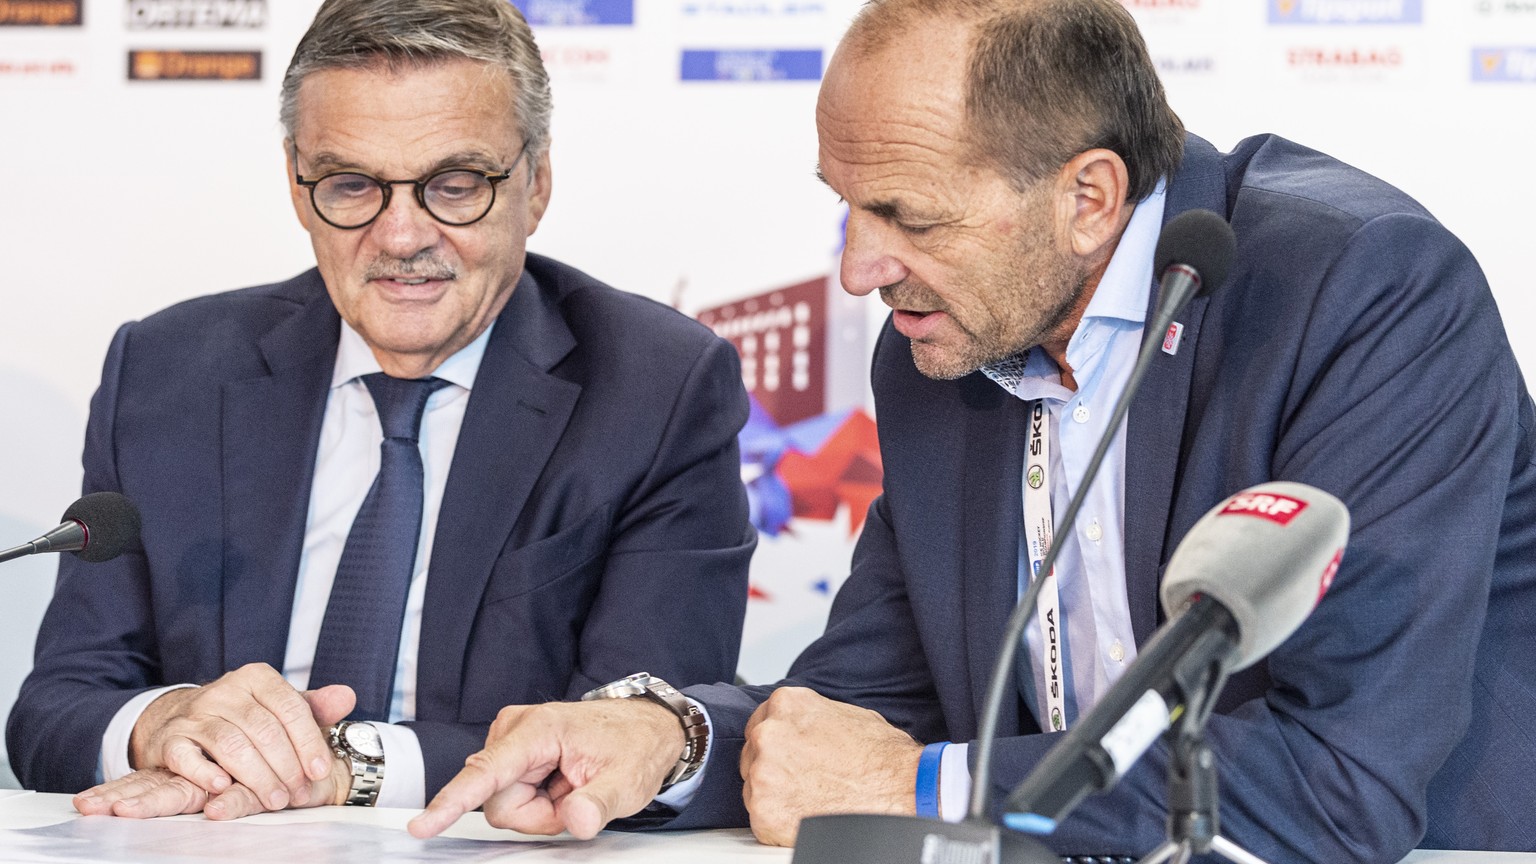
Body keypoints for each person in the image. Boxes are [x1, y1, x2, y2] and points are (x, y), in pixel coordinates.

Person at [406, 0, 1536, 860]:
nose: (856, 268)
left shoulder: (1363, 293)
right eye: (846, 203)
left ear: (1088, 198)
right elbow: (863, 704)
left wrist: (932, 791)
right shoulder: (946, 339)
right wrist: (669, 739)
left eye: (906, 214)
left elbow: (1342, 780)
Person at [5, 0, 755, 820]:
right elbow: (54, 711)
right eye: (353, 184)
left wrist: (346, 767)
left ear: (536, 184)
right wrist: (161, 724)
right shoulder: (166, 371)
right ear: (298, 182)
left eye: (455, 185)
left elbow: (630, 745)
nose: (401, 235)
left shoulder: (657, 387)